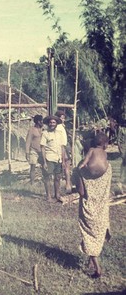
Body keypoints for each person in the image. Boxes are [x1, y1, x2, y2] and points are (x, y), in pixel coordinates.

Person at [76, 132, 112, 278]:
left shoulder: (81, 169)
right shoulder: (108, 168)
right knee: (96, 234)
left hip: (88, 206)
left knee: (89, 235)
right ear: (105, 146)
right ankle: (91, 262)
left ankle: (97, 269)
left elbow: (81, 192)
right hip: (102, 208)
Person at [40, 115, 66, 201]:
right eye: (50, 122)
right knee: (47, 176)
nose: (52, 124)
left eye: (54, 122)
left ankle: (57, 195)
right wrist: (44, 162)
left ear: (56, 124)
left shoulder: (59, 133)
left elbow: (62, 147)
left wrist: (63, 161)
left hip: (58, 158)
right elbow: (42, 148)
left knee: (58, 177)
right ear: (48, 123)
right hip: (49, 158)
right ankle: (48, 196)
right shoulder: (45, 133)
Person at [55, 110, 72, 193]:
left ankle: (68, 184)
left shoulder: (61, 127)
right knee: (65, 167)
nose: (62, 120)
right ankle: (67, 184)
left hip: (64, 147)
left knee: (66, 167)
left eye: (63, 118)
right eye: (61, 118)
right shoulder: (58, 127)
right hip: (61, 147)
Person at [25, 115, 43, 185]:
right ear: (38, 122)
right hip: (33, 150)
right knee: (33, 167)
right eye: (41, 121)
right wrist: (27, 152)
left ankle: (44, 180)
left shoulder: (43, 130)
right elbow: (28, 141)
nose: (42, 122)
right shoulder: (32, 130)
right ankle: (32, 182)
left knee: (44, 166)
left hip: (42, 151)